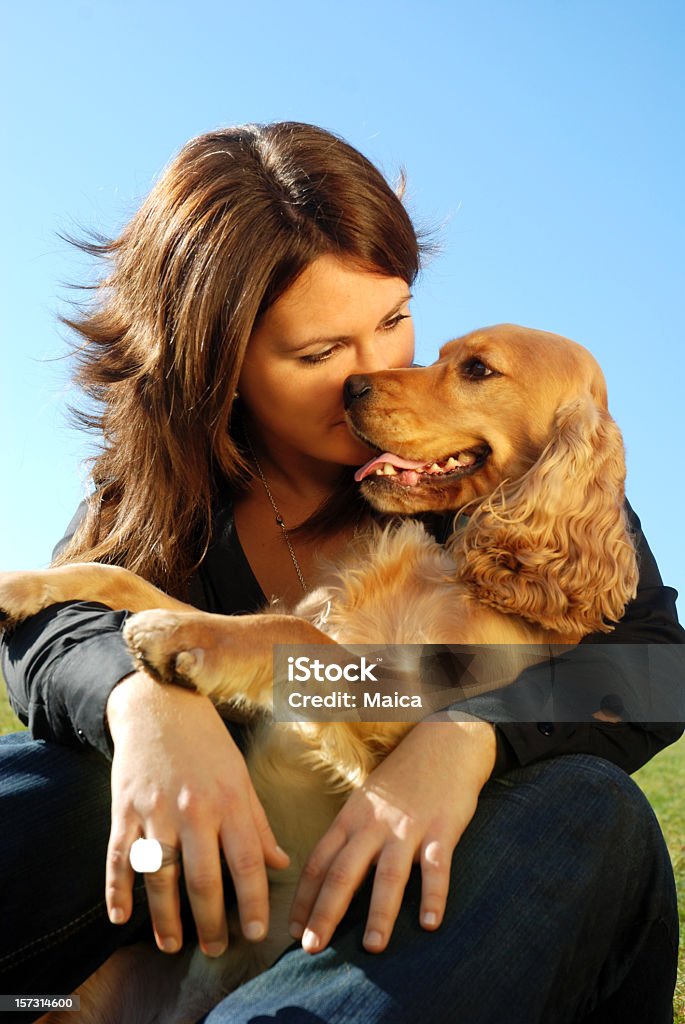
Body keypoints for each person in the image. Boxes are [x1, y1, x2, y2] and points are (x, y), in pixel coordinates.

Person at [0, 122, 682, 1024]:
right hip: (216, 900)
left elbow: (655, 666)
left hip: (449, 886)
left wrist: (473, 735)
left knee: (583, 807)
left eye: (395, 320)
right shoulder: (172, 490)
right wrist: (145, 705)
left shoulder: (491, 468)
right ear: (218, 364)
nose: (375, 376)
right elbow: (52, 631)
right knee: (61, 782)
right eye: (319, 353)